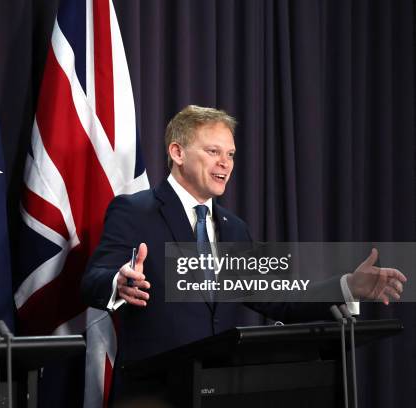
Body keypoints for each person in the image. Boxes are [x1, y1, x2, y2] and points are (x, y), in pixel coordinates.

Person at [81, 105, 406, 392]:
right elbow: (93, 279)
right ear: (178, 153)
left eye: (231, 154)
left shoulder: (233, 228)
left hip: (220, 390)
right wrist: (118, 283)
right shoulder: (135, 211)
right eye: (213, 151)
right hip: (154, 393)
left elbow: (279, 298)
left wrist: (348, 286)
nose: (225, 163)